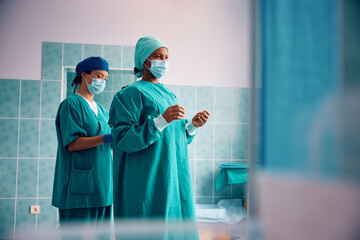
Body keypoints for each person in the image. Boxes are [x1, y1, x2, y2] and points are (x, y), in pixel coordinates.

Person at [108, 37, 210, 239]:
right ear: (143, 60)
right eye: (157, 56)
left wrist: (191, 126)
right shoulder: (129, 94)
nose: (163, 61)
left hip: (173, 175)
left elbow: (174, 139)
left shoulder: (169, 95)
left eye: (166, 57)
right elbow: (122, 138)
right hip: (147, 178)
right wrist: (161, 120)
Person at [52, 56, 113, 227]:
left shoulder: (101, 110)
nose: (102, 81)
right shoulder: (71, 104)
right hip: (79, 189)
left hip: (103, 186)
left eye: (105, 78)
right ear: (84, 75)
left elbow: (108, 145)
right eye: (99, 76)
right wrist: (106, 138)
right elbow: (72, 144)